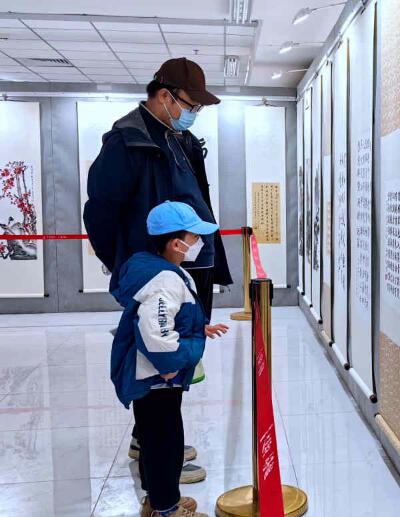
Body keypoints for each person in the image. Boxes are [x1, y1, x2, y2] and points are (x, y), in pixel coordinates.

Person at [84, 57, 232, 483]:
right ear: (164, 96)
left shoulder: (179, 139)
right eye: (190, 104)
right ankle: (159, 462)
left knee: (176, 369)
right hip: (157, 278)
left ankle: (148, 441)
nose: (194, 113)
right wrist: (134, 271)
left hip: (184, 273)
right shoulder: (127, 142)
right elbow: (101, 214)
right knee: (159, 363)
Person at [111, 201, 229, 517]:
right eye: (194, 237)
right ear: (176, 243)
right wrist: (169, 365)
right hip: (158, 378)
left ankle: (156, 501)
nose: (198, 244)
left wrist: (198, 327)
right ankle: (167, 510)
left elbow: (165, 317)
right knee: (166, 443)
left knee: (153, 439)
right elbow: (156, 331)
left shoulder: (156, 270)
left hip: (152, 375)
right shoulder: (164, 279)